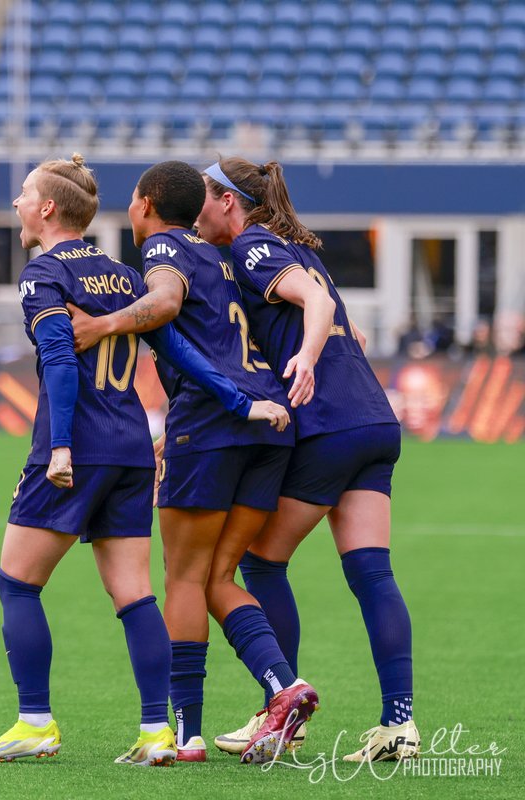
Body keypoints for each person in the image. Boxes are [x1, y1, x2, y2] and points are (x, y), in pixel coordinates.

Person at [0, 155, 289, 766]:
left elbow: (62, 363)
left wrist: (60, 446)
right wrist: (239, 400)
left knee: (16, 583)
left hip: (76, 448)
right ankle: (155, 733)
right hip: (132, 449)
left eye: (23, 194)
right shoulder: (121, 272)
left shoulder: (42, 274)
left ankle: (34, 720)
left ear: (46, 209)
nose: (16, 203)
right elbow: (177, 344)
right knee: (135, 595)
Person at [67, 161, 316, 765]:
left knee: (183, 577)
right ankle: (285, 687)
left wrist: (102, 324)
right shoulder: (228, 253)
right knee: (218, 578)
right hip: (268, 422)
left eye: (131, 200)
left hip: (212, 424)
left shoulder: (165, 250)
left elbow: (167, 303)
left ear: (147, 204)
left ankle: (188, 735)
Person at [195, 158, 418, 763]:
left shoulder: (254, 248)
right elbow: (356, 334)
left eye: (205, 195)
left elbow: (316, 306)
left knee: (260, 563)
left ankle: (282, 708)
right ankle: (399, 722)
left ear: (229, 203)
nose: (197, 205)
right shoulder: (298, 249)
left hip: (329, 427)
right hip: (373, 420)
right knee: (372, 573)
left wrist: (307, 357)